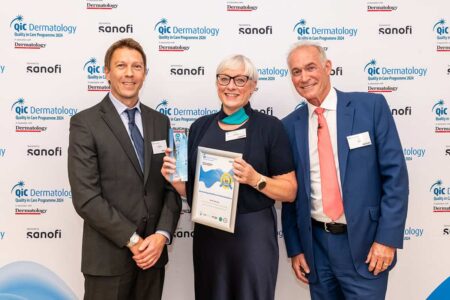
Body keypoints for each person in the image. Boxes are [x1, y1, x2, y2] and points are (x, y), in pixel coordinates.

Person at [161, 54, 297, 300]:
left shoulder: (269, 127)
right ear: (216, 83)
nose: (231, 86)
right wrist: (174, 180)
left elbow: (289, 190)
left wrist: (256, 179)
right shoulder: (199, 127)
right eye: (224, 79)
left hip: (252, 236)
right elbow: (193, 191)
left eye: (240, 79)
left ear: (253, 85)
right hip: (209, 234)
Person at [282, 42, 409, 299]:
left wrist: (387, 240)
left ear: (328, 67)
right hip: (316, 249)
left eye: (310, 68)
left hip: (366, 246)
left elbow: (395, 178)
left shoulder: (370, 107)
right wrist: (296, 248)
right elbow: (291, 195)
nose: (304, 77)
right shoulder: (288, 126)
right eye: (296, 72)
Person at [68, 38, 181, 300]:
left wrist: (161, 235)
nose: (129, 73)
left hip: (153, 259)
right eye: (121, 65)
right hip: (108, 261)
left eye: (137, 66)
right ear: (106, 72)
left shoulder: (160, 121)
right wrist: (134, 240)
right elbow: (86, 197)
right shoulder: (85, 123)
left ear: (145, 73)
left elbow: (171, 186)